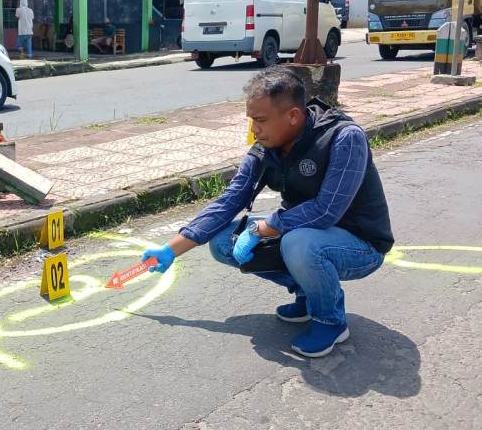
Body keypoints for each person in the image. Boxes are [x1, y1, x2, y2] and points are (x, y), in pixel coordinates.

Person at [141, 67, 394, 358]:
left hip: (360, 244)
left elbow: (326, 211)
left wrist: (261, 228)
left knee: (298, 243)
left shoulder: (343, 137)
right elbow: (230, 200)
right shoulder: (265, 147)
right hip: (305, 235)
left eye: (260, 120)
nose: (253, 130)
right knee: (224, 240)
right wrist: (172, 250)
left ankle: (330, 320)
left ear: (293, 116)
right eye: (251, 120)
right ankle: (308, 294)